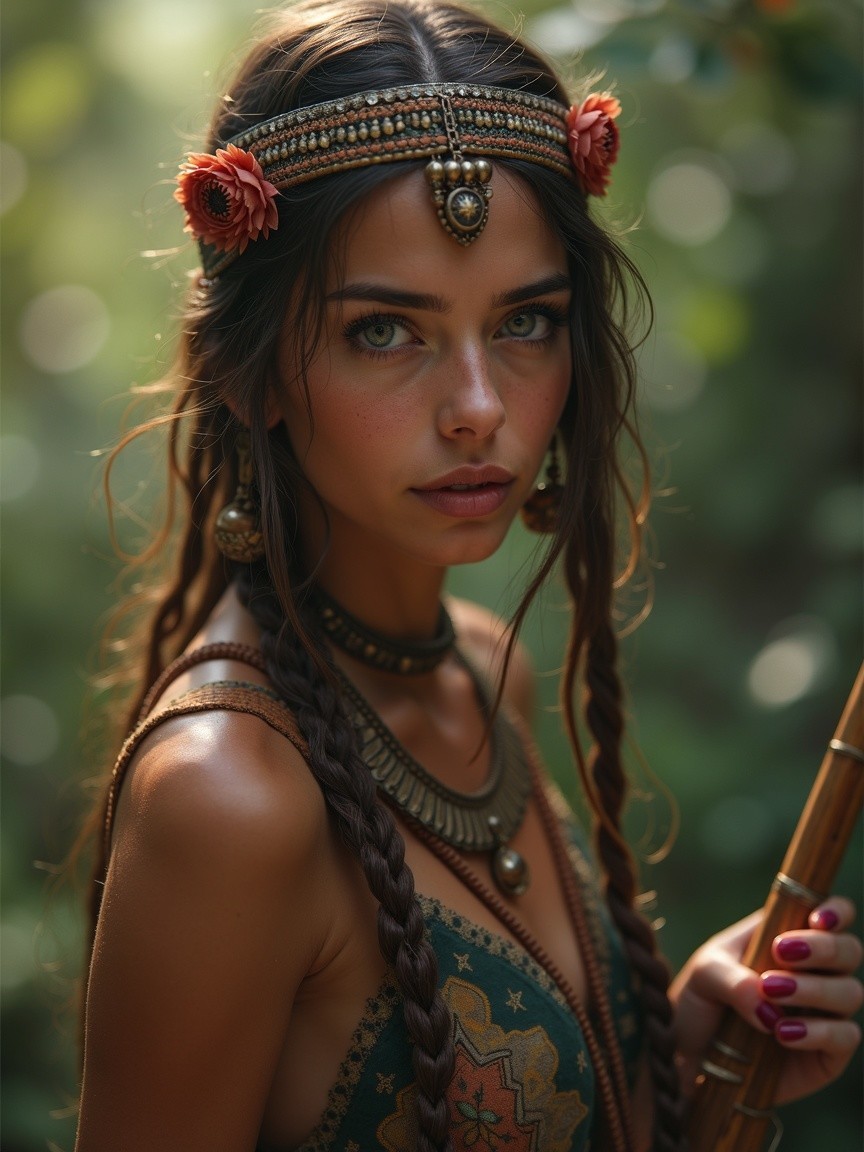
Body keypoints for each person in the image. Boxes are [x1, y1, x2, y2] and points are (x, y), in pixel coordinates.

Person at [71, 1, 862, 1149]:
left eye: (528, 322)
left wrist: (677, 1061)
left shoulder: (487, 676)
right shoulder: (228, 799)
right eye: (386, 333)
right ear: (249, 377)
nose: (481, 409)